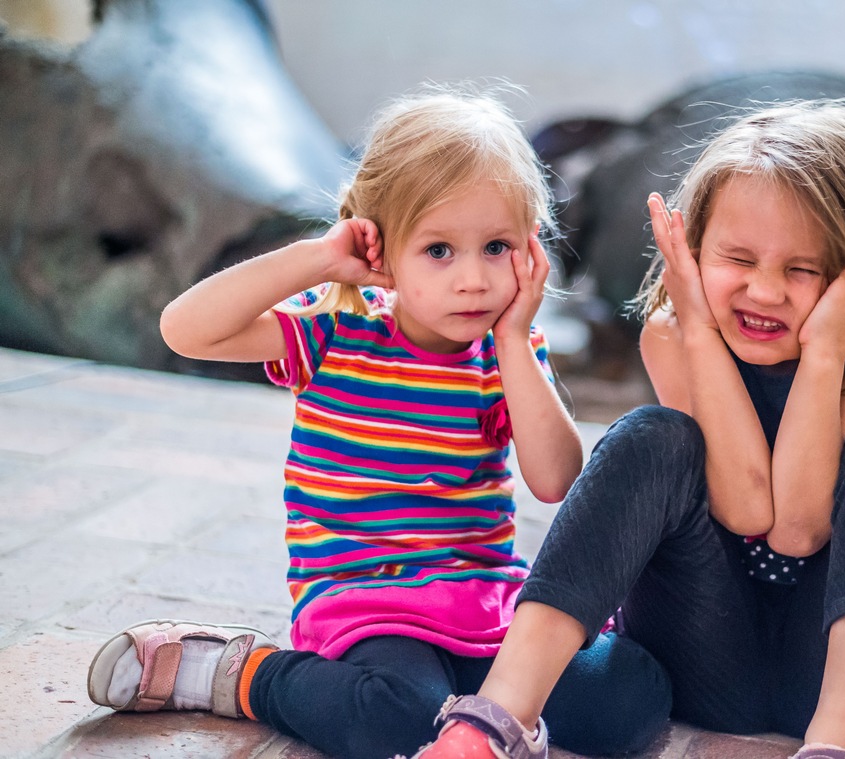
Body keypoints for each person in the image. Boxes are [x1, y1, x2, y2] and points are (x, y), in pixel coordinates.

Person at [84, 88, 671, 759]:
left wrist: (514, 342)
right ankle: (246, 674)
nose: (474, 279)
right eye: (440, 250)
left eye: (497, 246)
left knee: (632, 699)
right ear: (383, 251)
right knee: (391, 719)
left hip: (485, 603)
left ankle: (471, 714)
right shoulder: (338, 328)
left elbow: (557, 478)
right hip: (367, 601)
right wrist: (318, 258)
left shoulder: (509, 351)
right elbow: (184, 330)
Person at [415, 100, 845, 759]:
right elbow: (749, 508)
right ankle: (491, 724)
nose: (764, 290)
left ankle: (838, 745)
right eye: (738, 258)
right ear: (693, 249)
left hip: (838, 671)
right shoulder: (675, 332)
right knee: (651, 434)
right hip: (704, 648)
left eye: (802, 269)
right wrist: (696, 327)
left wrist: (828, 352)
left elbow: (800, 527)